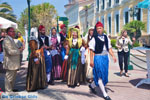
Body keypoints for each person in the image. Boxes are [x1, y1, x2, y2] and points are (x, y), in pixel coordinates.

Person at [89, 22, 117, 100]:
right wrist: (91, 61)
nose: (99, 30)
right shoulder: (94, 38)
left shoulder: (106, 37)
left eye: (100, 28)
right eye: (97, 28)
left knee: (104, 75)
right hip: (98, 58)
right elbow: (91, 51)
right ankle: (105, 95)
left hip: (105, 58)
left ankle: (92, 85)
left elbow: (109, 48)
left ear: (103, 28)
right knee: (100, 76)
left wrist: (113, 56)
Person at [3, 27, 22, 92]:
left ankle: (11, 89)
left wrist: (19, 49)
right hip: (10, 63)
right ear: (8, 32)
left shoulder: (12, 39)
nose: (13, 32)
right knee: (9, 78)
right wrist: (19, 51)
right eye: (12, 31)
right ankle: (8, 92)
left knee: (13, 78)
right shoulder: (7, 40)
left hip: (14, 63)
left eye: (14, 31)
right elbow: (10, 52)